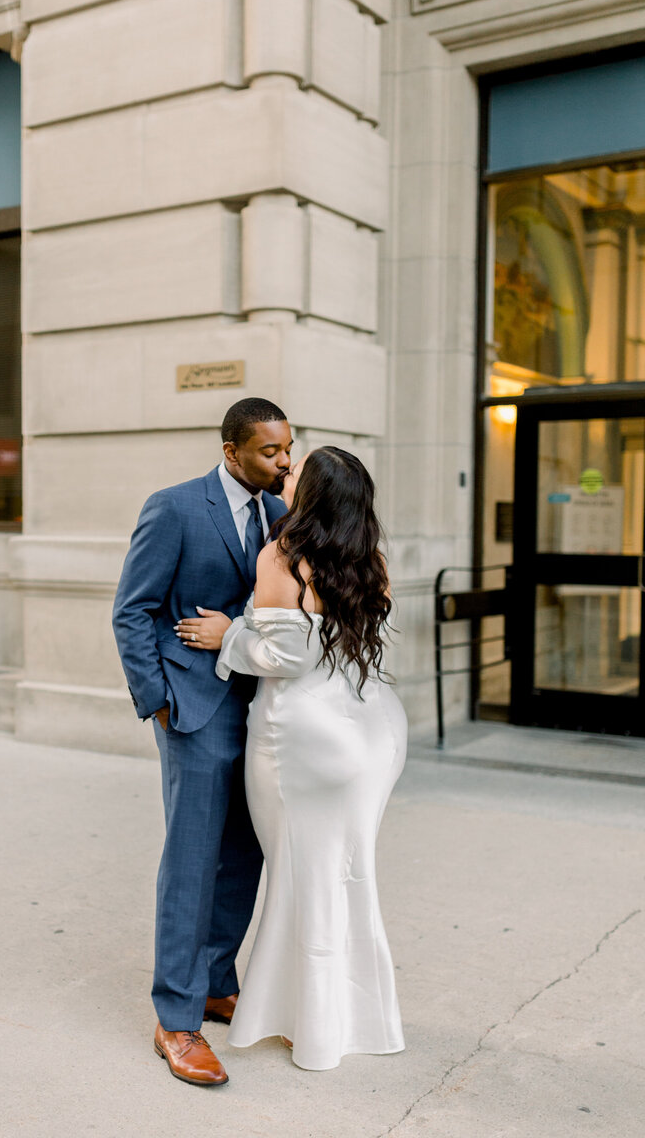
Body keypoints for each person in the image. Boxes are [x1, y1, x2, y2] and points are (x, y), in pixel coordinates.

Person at [175, 446, 407, 1071]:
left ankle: (313, 1027)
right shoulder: (370, 560)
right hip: (373, 733)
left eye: (296, 470)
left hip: (303, 738)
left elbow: (286, 658)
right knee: (346, 875)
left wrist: (231, 634)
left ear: (316, 493)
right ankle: (350, 1016)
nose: (285, 471)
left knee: (303, 876)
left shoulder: (282, 555)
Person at [112, 398, 293, 1087]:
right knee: (193, 863)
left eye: (287, 449)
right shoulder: (175, 507)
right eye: (269, 452)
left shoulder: (281, 516)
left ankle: (218, 981)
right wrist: (157, 699)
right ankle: (177, 1020)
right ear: (231, 451)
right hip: (193, 709)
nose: (282, 462)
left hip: (264, 707)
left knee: (246, 852)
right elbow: (133, 608)